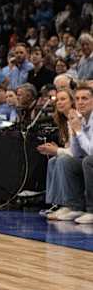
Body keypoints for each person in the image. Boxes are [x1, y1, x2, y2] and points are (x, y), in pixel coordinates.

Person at [44, 86, 93, 224]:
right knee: (65, 161)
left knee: (88, 161)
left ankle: (91, 210)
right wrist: (73, 130)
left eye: (85, 98)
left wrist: (78, 131)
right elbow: (76, 153)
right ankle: (74, 206)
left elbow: (90, 152)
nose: (80, 102)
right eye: (77, 99)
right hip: (87, 158)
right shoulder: (80, 119)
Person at [37, 89, 74, 218]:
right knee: (54, 160)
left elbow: (78, 152)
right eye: (57, 100)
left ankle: (69, 205)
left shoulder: (76, 119)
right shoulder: (64, 121)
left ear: (72, 102)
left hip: (86, 158)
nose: (59, 102)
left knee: (61, 159)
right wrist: (56, 150)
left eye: (63, 99)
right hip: (78, 157)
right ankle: (56, 203)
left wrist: (57, 151)